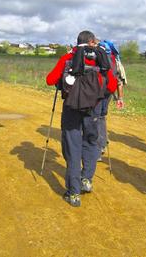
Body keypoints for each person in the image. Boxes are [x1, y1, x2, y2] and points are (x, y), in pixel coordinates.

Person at [46, 30, 117, 207]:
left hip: (71, 108)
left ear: (77, 42)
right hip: (93, 109)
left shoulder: (68, 57)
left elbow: (50, 80)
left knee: (73, 147)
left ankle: (73, 193)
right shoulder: (101, 58)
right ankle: (86, 179)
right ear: (92, 42)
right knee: (91, 143)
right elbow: (113, 85)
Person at [96, 40, 126, 161]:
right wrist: (120, 98)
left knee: (96, 118)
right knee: (102, 117)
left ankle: (97, 149)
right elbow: (119, 82)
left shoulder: (97, 57)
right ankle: (102, 144)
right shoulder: (115, 60)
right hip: (109, 92)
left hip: (97, 92)